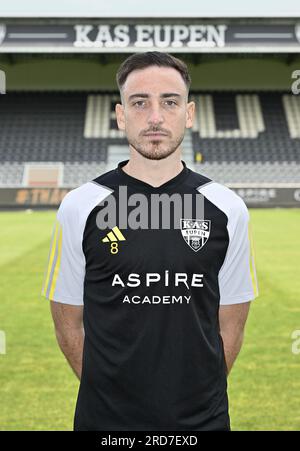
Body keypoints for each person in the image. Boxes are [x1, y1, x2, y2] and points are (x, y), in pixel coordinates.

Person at [42, 51, 258, 431]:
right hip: (106, 424)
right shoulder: (79, 206)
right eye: (140, 102)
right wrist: (109, 395)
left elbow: (231, 327)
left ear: (188, 113)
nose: (155, 117)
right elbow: (67, 324)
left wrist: (195, 396)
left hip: (202, 423)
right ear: (121, 114)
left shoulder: (228, 208)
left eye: (169, 102)